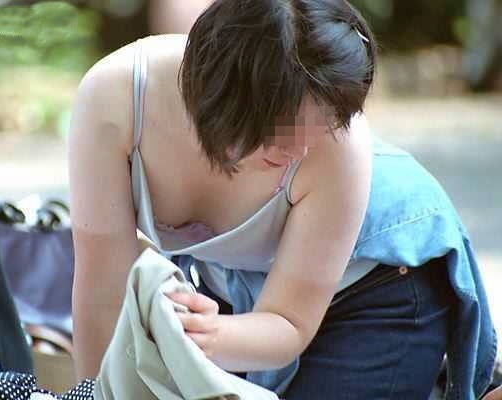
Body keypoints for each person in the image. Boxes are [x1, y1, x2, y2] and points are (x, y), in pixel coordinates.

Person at [68, 0, 496, 398]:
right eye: (282, 130)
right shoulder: (119, 99)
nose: (299, 150)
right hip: (240, 288)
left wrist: (212, 334)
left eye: (321, 126)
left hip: (379, 282)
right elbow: (103, 291)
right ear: (224, 95)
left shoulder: (338, 145)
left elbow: (288, 323)